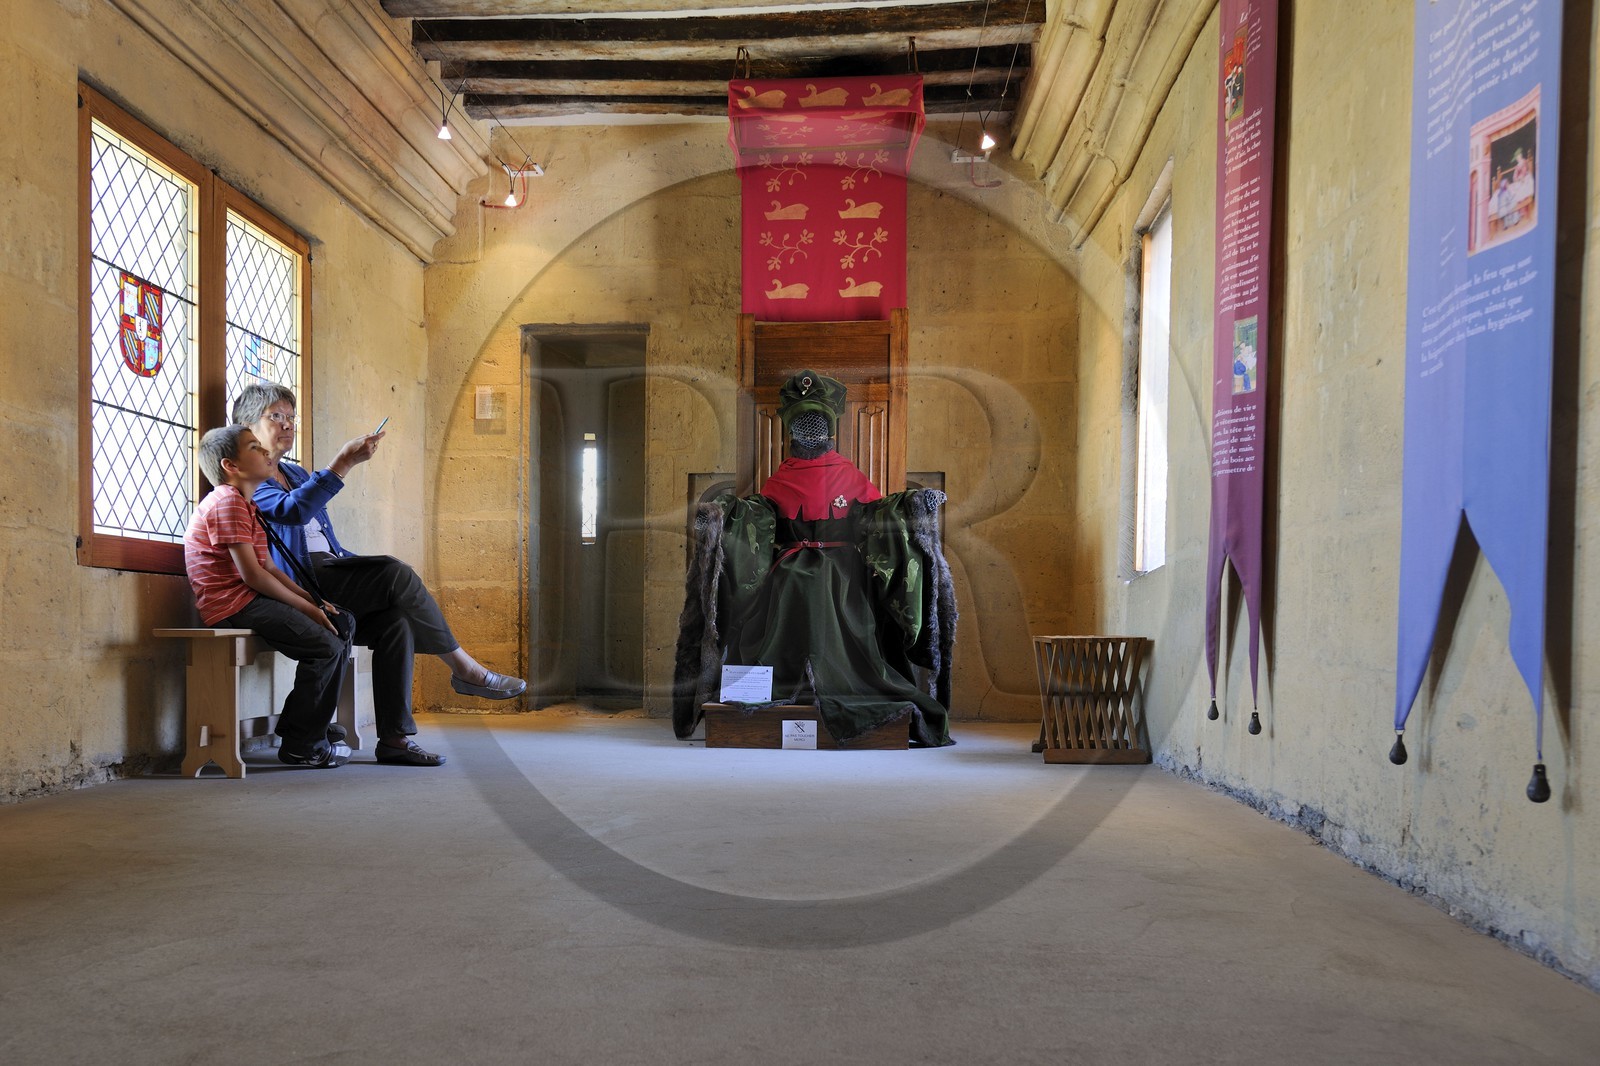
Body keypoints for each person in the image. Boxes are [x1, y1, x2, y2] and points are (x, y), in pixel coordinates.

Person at [233, 382, 526, 767]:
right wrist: (343, 463)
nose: (287, 425)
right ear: (247, 426)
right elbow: (292, 513)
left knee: (396, 621)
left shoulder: (296, 473)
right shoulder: (245, 478)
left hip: (328, 570)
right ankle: (464, 668)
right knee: (393, 572)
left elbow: (325, 541)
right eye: (276, 417)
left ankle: (394, 740)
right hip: (298, 580)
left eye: (291, 417)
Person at [674, 369, 956, 747]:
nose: (811, 430)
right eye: (804, 422)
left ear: (830, 427)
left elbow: (878, 512)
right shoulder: (781, 478)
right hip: (787, 569)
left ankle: (847, 681)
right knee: (792, 583)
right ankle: (781, 682)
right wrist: (722, 513)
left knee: (823, 587)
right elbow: (756, 516)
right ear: (792, 429)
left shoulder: (848, 474)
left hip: (843, 572)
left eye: (817, 421)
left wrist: (916, 502)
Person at [183, 425, 356, 768]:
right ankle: (301, 745)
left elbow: (271, 568)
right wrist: (307, 608)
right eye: (253, 447)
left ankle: (307, 727)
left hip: (251, 597)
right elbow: (252, 576)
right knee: (326, 646)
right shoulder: (228, 502)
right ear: (231, 466)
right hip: (234, 603)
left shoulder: (247, 506)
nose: (265, 452)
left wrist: (314, 600)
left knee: (343, 621)